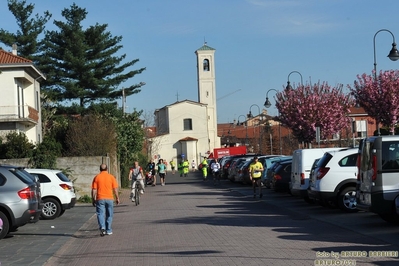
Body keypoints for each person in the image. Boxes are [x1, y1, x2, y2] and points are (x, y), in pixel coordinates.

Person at [91, 164, 120, 236]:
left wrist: (93, 199)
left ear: (100, 169)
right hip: (109, 198)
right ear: (107, 169)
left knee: (100, 214)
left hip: (100, 198)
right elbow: (115, 189)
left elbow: (94, 189)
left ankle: (102, 227)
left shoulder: (97, 177)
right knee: (109, 214)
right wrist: (117, 197)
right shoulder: (111, 177)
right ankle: (108, 230)